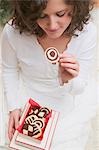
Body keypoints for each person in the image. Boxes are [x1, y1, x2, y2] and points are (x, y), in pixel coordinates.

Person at [0, 0, 97, 149]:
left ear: (75, 7)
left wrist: (68, 79)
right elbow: (9, 69)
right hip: (24, 97)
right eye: (41, 15)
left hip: (68, 103)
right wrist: (13, 107)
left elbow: (79, 88)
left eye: (60, 14)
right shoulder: (12, 32)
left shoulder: (87, 32)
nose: (52, 25)